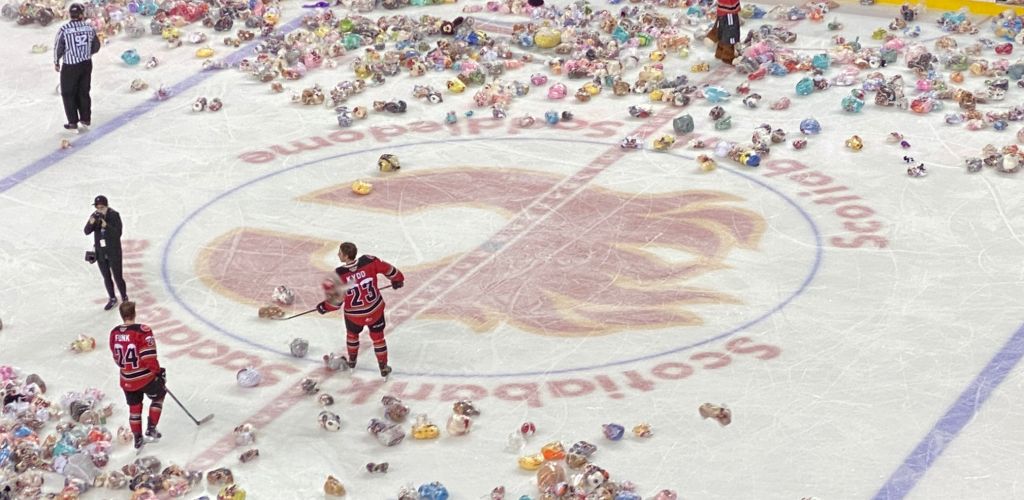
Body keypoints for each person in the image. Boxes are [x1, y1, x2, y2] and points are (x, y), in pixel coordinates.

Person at [317, 242, 404, 377]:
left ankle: (352, 361)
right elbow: (389, 269)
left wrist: (323, 307)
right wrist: (397, 279)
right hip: (375, 310)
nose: (338, 255)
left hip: (354, 316)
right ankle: (383, 366)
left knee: (352, 336)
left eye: (340, 253)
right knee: (378, 338)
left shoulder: (339, 274)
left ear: (346, 256)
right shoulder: (369, 261)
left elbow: (336, 303)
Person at [109, 301, 166, 449]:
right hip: (145, 377)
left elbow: (116, 356)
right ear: (134, 313)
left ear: (122, 316)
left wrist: (127, 369)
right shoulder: (142, 331)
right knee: (159, 397)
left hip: (126, 378)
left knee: (134, 408)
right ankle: (151, 428)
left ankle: (138, 438)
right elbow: (149, 357)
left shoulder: (114, 332)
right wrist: (158, 372)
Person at [54, 2, 100, 131]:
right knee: (83, 91)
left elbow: (58, 47)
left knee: (68, 93)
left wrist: (56, 61)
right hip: (86, 64)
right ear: (81, 14)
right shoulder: (89, 28)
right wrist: (86, 53)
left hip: (70, 66)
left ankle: (73, 121)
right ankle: (85, 118)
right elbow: (96, 46)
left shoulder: (64, 30)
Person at [84, 195, 127, 310]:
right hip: (101, 252)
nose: (99, 210)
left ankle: (124, 298)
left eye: (102, 207)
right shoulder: (95, 216)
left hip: (113, 251)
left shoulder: (114, 215)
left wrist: (106, 226)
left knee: (118, 276)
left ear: (107, 206)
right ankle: (112, 298)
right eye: (97, 208)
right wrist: (91, 222)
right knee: (106, 276)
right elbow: (86, 231)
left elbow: (118, 233)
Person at [706, 0, 741, 65]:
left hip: (723, 12)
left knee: (723, 32)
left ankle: (720, 53)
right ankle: (728, 57)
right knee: (730, 34)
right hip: (729, 12)